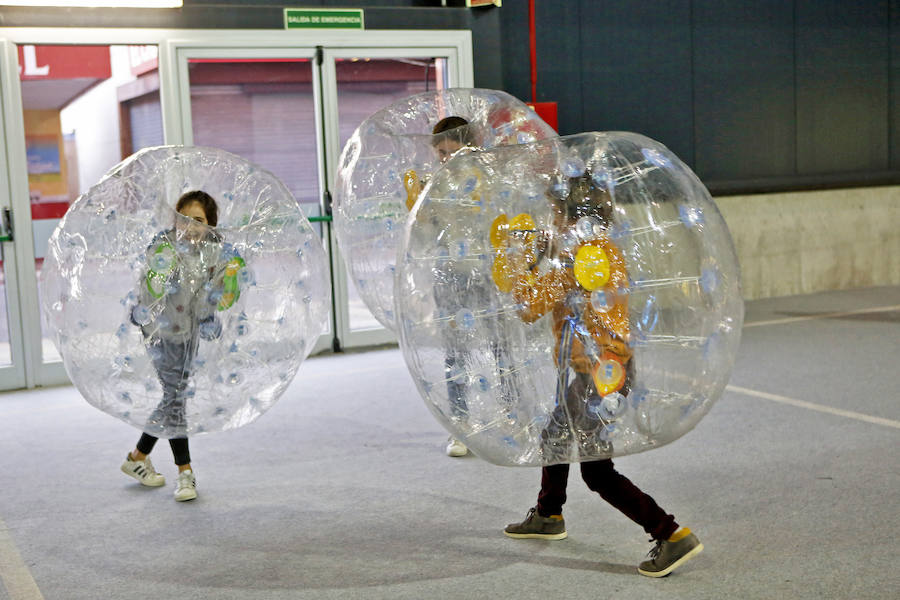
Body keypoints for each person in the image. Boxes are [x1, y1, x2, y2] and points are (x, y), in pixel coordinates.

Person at [500, 172, 703, 577]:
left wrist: (520, 260)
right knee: (556, 435)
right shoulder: (601, 248)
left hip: (597, 375)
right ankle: (548, 514)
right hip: (605, 368)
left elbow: (528, 306)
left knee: (596, 470)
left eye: (554, 212)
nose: (549, 221)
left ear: (571, 213)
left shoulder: (578, 256)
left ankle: (671, 534)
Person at [120, 190, 238, 502]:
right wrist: (162, 274)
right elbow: (150, 288)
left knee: (174, 398)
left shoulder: (215, 253)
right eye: (184, 219)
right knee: (175, 399)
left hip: (189, 334)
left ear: (210, 224)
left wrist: (213, 311)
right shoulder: (165, 247)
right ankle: (184, 473)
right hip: (161, 333)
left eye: (198, 220)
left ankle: (137, 458)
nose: (191, 226)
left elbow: (214, 296)